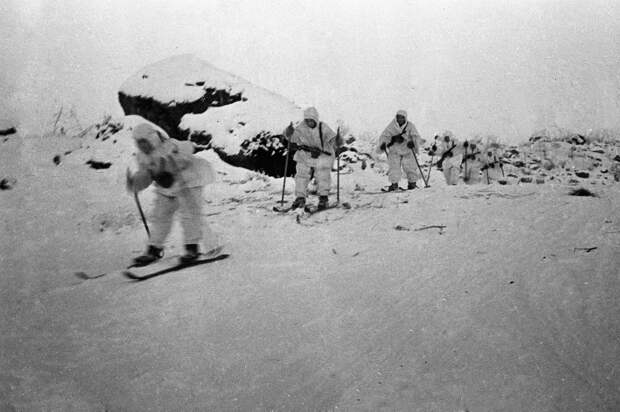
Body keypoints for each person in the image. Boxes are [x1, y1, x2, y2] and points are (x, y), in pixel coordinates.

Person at [125, 121, 218, 266]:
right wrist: (135, 182)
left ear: (151, 138)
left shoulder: (169, 145)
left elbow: (188, 148)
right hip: (167, 186)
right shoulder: (143, 157)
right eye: (139, 143)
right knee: (160, 215)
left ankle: (192, 248)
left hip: (189, 180)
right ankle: (153, 250)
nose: (142, 146)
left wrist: (176, 153)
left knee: (189, 214)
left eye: (144, 141)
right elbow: (146, 175)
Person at [283, 107, 343, 210]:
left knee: (322, 175)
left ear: (315, 119)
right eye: (307, 120)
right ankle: (300, 198)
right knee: (301, 175)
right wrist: (289, 132)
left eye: (311, 120)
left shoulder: (323, 127)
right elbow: (292, 138)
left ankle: (323, 198)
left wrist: (337, 140)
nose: (309, 122)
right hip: (305, 154)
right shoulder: (301, 127)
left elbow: (333, 140)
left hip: (323, 155)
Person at [376, 110, 424, 191]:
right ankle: (394, 184)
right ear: (396, 118)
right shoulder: (391, 126)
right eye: (398, 117)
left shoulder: (410, 126)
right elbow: (385, 136)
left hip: (407, 149)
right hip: (395, 150)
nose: (400, 119)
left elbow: (416, 137)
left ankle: (412, 184)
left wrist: (413, 143)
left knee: (410, 166)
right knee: (394, 167)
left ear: (405, 118)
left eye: (402, 118)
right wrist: (384, 144)